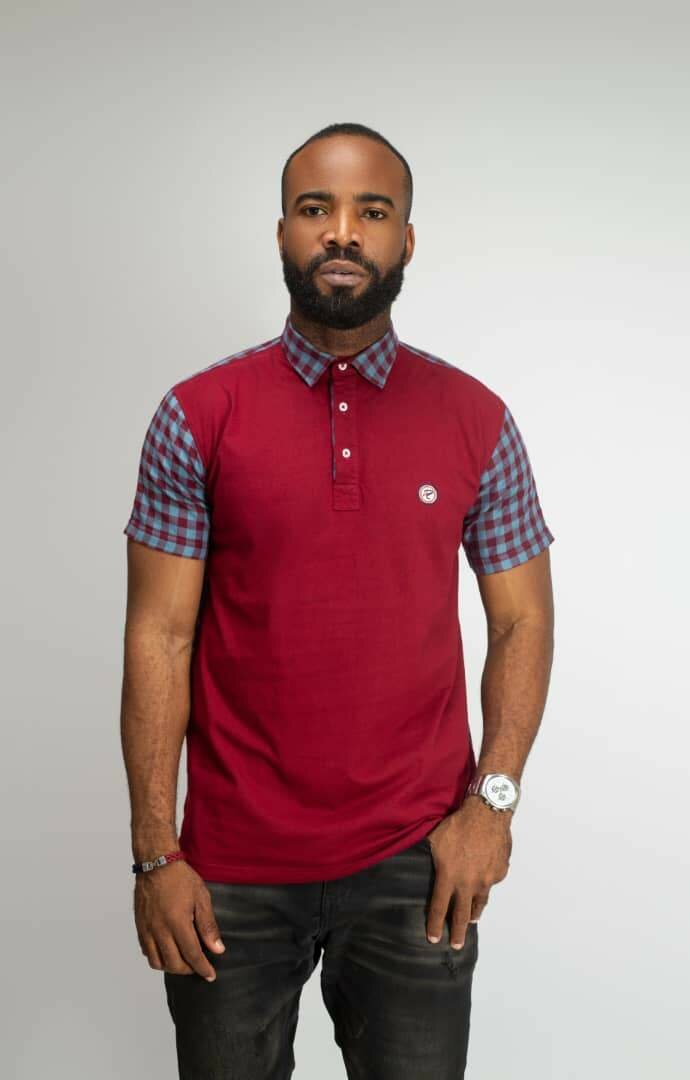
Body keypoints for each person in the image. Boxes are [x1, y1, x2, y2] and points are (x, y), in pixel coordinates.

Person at [121, 121, 556, 1080]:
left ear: (407, 238)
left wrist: (492, 807)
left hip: (417, 862)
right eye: (316, 208)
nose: (344, 232)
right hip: (228, 870)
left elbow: (522, 618)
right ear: (283, 232)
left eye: (373, 211)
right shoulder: (197, 415)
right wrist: (156, 852)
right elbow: (159, 634)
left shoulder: (476, 418)